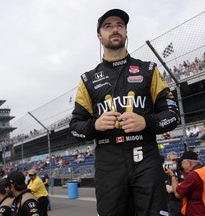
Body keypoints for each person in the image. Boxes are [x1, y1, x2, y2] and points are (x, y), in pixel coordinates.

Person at [69, 8, 180, 216]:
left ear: (126, 33)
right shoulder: (88, 80)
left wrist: (146, 122)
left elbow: (173, 115)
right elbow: (75, 128)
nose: (115, 29)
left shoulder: (148, 69)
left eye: (120, 25)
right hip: (108, 162)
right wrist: (95, 125)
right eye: (108, 26)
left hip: (145, 156)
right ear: (99, 36)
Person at [166, 151, 205, 216]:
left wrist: (172, 175)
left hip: (201, 212)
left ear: (188, 163)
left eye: (182, 163)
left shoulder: (194, 175)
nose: (181, 166)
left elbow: (178, 194)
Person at [164, 152, 183, 216]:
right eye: (173, 160)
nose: (175, 162)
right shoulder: (165, 173)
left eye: (176, 160)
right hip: (173, 202)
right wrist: (181, 187)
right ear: (168, 161)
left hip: (183, 201)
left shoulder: (180, 171)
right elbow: (169, 189)